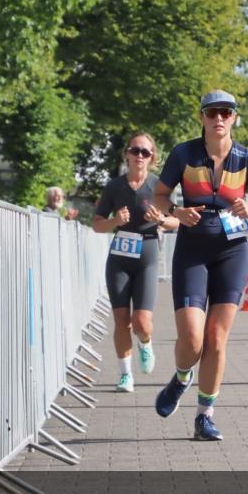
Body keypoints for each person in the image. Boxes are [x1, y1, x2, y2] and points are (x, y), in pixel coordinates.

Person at [152, 90, 248, 441]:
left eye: (226, 113)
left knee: (216, 338)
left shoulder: (247, 160)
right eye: (212, 113)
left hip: (232, 251)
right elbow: (159, 195)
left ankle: (204, 416)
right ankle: (181, 377)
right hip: (192, 249)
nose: (219, 119)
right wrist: (176, 211)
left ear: (234, 118)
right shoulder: (184, 153)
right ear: (202, 118)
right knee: (193, 339)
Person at [92, 133, 179, 393]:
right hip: (119, 257)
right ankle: (126, 375)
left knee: (141, 322)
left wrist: (162, 220)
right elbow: (97, 225)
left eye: (146, 152)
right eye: (136, 150)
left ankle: (145, 341)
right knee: (121, 321)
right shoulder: (114, 187)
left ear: (153, 158)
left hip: (147, 255)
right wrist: (114, 222)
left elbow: (179, 220)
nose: (140, 156)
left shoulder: (158, 187)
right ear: (127, 154)